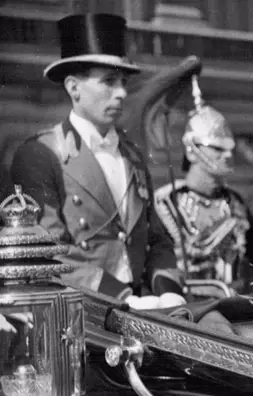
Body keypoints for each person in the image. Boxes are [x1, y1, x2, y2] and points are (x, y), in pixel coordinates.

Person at [10, 13, 185, 307]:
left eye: (123, 82)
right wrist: (122, 297)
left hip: (145, 306)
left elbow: (157, 239)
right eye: (108, 82)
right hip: (80, 310)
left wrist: (166, 290)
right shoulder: (41, 154)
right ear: (73, 87)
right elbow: (47, 249)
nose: (121, 93)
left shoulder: (132, 156)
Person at [154, 75, 253, 295]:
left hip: (235, 304)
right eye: (218, 148)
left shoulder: (236, 203)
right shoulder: (165, 203)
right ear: (192, 149)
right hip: (185, 309)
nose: (227, 155)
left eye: (229, 149)